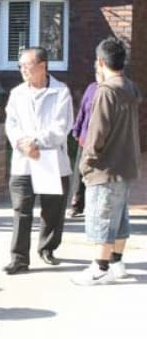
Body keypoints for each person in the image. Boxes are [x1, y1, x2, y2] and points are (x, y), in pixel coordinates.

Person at [73, 38, 141, 285]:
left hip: (106, 166)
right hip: (127, 163)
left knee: (102, 216)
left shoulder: (106, 91)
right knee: (120, 215)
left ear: (101, 62)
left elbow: (96, 132)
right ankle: (117, 262)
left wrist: (87, 162)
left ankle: (100, 267)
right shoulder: (130, 87)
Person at [2, 47, 72, 275]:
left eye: (27, 65)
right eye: (20, 65)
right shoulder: (17, 93)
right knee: (21, 210)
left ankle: (47, 248)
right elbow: (11, 123)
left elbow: (62, 127)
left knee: (52, 210)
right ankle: (19, 258)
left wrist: (36, 141)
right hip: (24, 159)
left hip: (50, 158)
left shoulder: (61, 92)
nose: (23, 70)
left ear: (42, 66)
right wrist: (22, 143)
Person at [68, 81, 98, 217]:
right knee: (80, 172)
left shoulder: (113, 90)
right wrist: (77, 129)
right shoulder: (92, 88)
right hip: (85, 139)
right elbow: (83, 111)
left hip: (103, 141)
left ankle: (95, 206)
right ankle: (77, 203)